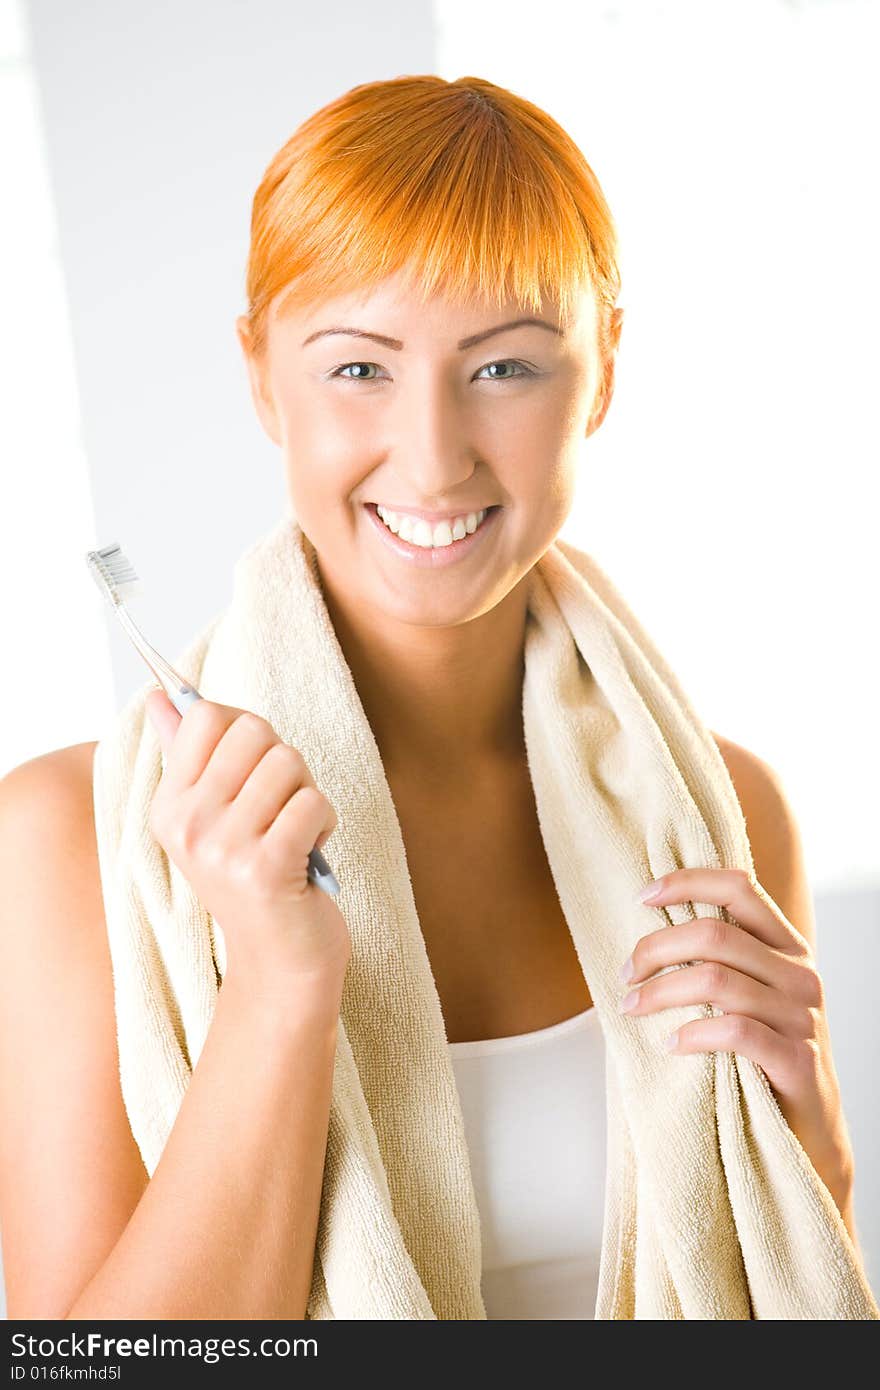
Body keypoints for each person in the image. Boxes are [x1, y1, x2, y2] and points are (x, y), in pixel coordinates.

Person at [0, 74, 860, 1321]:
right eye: (357, 367)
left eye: (503, 365)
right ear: (260, 376)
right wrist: (281, 987)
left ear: (603, 370)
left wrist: (812, 1151)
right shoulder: (66, 837)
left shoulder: (722, 814)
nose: (432, 453)